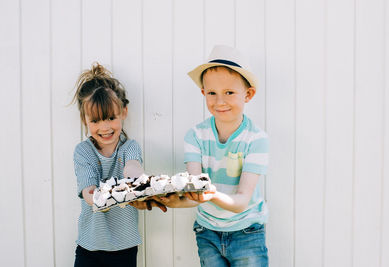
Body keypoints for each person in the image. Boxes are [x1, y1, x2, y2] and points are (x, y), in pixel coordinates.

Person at [156, 45, 269, 266]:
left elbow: (241, 201)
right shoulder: (196, 136)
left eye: (229, 92)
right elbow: (195, 192)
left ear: (248, 94)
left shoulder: (256, 139)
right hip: (208, 231)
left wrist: (206, 193)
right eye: (212, 93)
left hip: (247, 231)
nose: (220, 101)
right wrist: (171, 200)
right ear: (203, 92)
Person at [71, 63, 165, 267]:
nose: (104, 127)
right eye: (96, 121)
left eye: (111, 118)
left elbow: (132, 169)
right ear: (84, 119)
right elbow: (88, 192)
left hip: (124, 248)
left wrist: (142, 183)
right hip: (89, 248)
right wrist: (99, 197)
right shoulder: (83, 151)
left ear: (124, 112)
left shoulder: (129, 147)